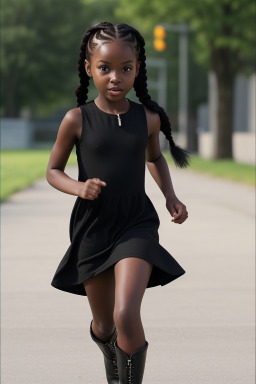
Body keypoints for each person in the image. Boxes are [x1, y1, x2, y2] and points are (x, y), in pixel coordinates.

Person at [46, 21, 190, 384]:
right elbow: (53, 170)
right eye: (105, 68)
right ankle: (109, 351)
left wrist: (170, 196)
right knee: (105, 322)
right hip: (93, 227)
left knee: (126, 313)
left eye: (125, 68)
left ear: (137, 69)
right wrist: (79, 188)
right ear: (88, 68)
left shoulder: (148, 118)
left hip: (136, 222)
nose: (115, 77)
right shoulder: (76, 119)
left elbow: (154, 158)